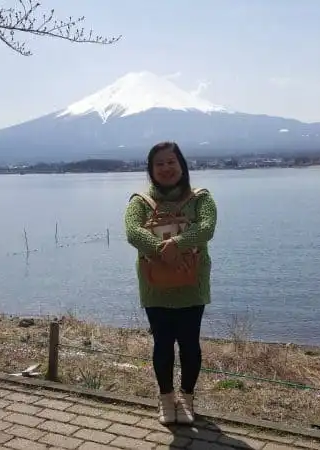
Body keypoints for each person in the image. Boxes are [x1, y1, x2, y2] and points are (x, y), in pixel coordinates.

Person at [123, 141, 218, 425]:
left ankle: (186, 398)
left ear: (182, 165)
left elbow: (207, 227)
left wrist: (176, 243)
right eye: (159, 164)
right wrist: (163, 249)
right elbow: (132, 232)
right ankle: (166, 398)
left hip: (192, 283)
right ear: (151, 170)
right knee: (162, 343)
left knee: (190, 344)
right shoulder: (140, 202)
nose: (166, 168)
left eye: (171, 162)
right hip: (155, 285)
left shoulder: (201, 198)